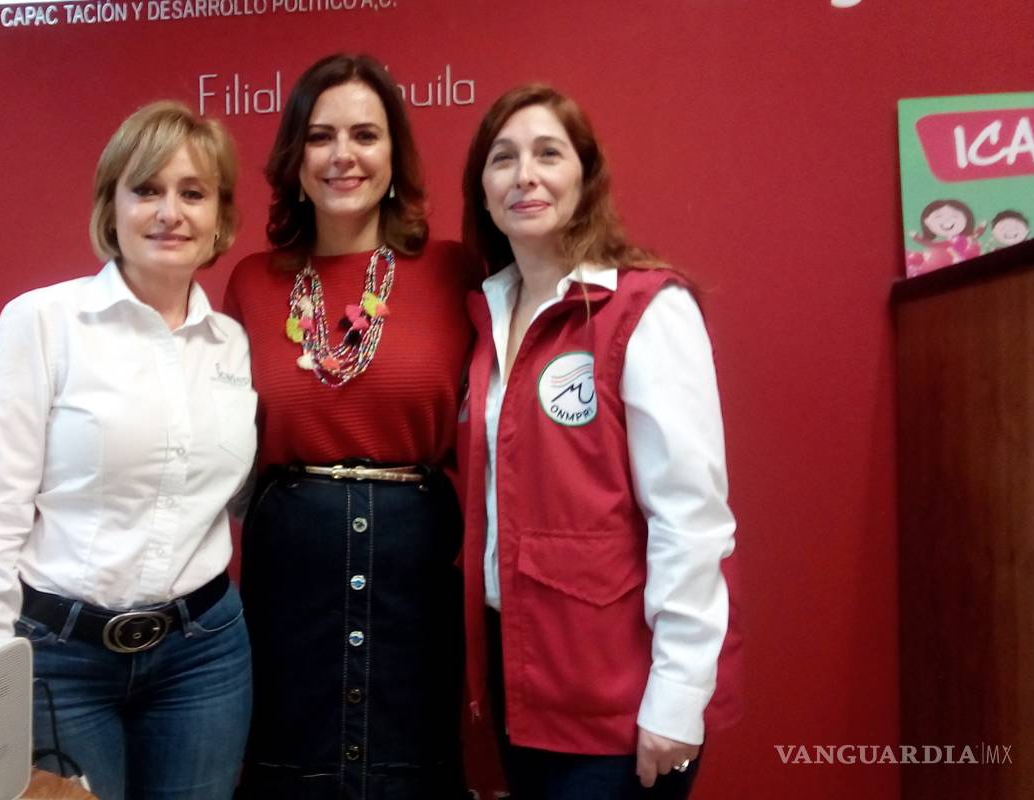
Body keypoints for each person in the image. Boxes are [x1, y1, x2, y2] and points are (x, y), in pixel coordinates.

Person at [0, 100, 258, 800]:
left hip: (203, 660)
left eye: (193, 193)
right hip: (60, 661)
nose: (170, 212)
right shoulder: (43, 323)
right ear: (111, 208)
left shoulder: (232, 344)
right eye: (146, 189)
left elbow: (226, 493)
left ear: (220, 218)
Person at [457, 84, 741, 799]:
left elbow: (690, 516)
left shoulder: (646, 308)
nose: (525, 175)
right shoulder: (487, 315)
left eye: (548, 154)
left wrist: (678, 696)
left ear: (585, 177)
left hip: (616, 695)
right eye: (503, 158)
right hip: (519, 681)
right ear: (482, 189)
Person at [222, 54, 472, 799]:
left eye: (365, 135)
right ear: (295, 159)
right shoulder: (253, 282)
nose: (343, 156)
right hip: (289, 589)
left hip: (416, 587)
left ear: (395, 157)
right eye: (320, 136)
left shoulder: (454, 272)